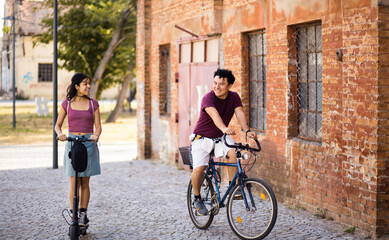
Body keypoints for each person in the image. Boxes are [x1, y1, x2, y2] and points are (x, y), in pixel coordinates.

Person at [190, 68, 257, 216]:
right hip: (202, 137)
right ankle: (197, 198)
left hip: (220, 137)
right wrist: (224, 128)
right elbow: (215, 116)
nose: (217, 86)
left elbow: (240, 114)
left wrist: (247, 131)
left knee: (234, 152)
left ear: (229, 86)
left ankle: (234, 188)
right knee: (200, 168)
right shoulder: (208, 98)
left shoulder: (234, 97)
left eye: (221, 84)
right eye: (215, 83)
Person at [54, 73, 102, 226]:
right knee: (74, 182)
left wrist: (95, 135)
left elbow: (98, 126)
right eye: (85, 84)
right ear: (76, 86)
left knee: (85, 182)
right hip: (72, 143)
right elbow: (57, 125)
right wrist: (60, 134)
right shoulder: (66, 103)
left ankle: (83, 214)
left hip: (88, 143)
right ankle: (74, 215)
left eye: (89, 83)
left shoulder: (93, 103)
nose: (88, 86)